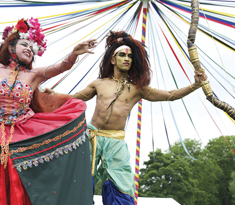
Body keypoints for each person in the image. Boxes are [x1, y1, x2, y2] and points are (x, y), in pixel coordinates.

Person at [46, 30, 207, 205]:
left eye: (130, 56)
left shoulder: (138, 88)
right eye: (122, 54)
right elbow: (75, 97)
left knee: (122, 184)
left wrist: (195, 85)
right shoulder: (99, 83)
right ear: (113, 60)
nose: (127, 58)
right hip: (91, 138)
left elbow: (170, 94)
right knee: (80, 179)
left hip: (116, 141)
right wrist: (53, 94)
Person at [0, 17, 97, 205]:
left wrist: (74, 53)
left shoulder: (34, 76)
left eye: (32, 48)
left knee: (16, 170)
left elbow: (61, 67)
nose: (29, 49)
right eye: (24, 44)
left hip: (23, 131)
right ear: (11, 48)